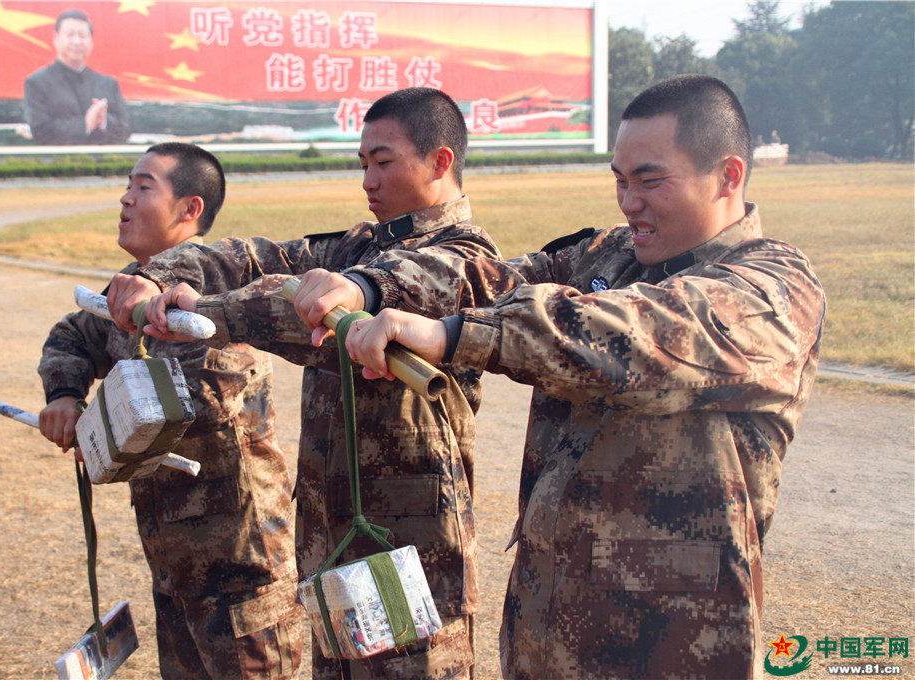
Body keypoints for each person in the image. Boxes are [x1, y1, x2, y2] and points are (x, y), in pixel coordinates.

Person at [337, 75, 827, 678]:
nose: (629, 201)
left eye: (649, 180)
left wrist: (456, 335)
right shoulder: (610, 257)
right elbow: (488, 278)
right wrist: (371, 287)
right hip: (546, 627)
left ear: (728, 176)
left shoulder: (772, 287)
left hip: (667, 646)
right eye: (620, 181)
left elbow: (641, 331)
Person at [106, 87, 501, 680]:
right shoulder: (357, 246)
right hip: (334, 537)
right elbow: (251, 257)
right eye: (362, 163)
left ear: (440, 161)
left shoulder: (465, 258)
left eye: (383, 162)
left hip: (408, 546)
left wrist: (203, 310)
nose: (367, 180)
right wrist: (157, 273)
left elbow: (346, 300)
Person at [37, 143, 301, 679]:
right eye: (127, 186)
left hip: (239, 562)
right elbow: (74, 334)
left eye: (144, 187)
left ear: (189, 209)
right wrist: (64, 395)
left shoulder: (217, 296)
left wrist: (101, 431)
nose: (125, 199)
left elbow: (196, 403)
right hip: (173, 558)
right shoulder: (132, 290)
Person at [24, 9, 131, 145]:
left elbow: (126, 129)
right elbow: (41, 133)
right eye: (69, 35)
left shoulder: (108, 84)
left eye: (82, 35)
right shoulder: (37, 83)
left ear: (91, 42)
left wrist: (103, 121)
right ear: (56, 38)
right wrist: (85, 124)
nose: (76, 41)